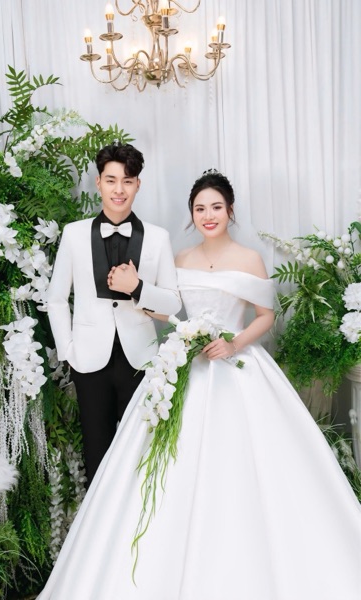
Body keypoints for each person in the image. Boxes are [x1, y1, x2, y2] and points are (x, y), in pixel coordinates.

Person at [39, 170, 361, 599]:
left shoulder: (250, 258)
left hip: (238, 367)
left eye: (216, 207)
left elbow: (265, 316)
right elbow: (168, 310)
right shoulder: (181, 258)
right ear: (191, 215)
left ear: (230, 211)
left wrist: (234, 343)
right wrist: (139, 291)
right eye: (199, 209)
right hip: (185, 365)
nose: (208, 215)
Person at [47, 142, 181, 485]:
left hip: (141, 361)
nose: (119, 189)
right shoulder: (74, 234)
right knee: (97, 454)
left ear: (138, 185)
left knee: (143, 454)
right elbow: (56, 299)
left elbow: (173, 303)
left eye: (127, 181)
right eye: (111, 180)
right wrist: (69, 352)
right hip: (89, 362)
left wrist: (137, 287)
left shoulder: (158, 238)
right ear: (99, 183)